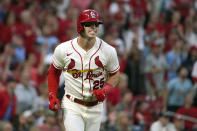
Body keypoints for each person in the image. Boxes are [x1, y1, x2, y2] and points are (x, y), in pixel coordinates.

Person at [47, 9, 120, 131]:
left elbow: (115, 74)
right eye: (89, 24)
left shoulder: (109, 50)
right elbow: (54, 72)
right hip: (72, 104)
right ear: (80, 27)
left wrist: (106, 89)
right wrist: (52, 93)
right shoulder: (63, 49)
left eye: (96, 24)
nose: (93, 27)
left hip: (95, 106)